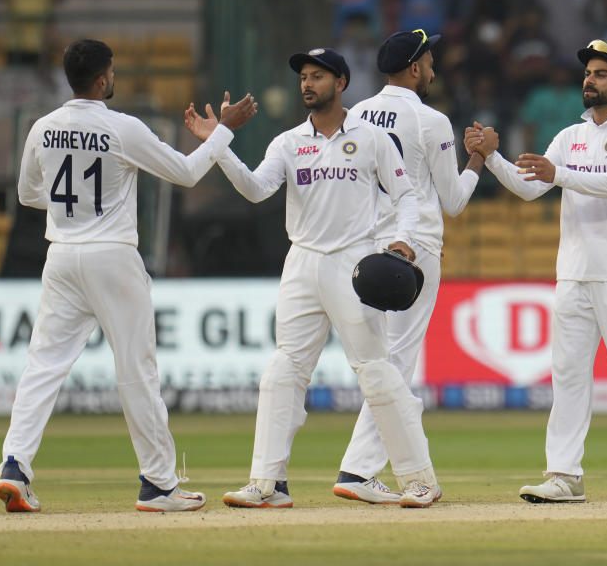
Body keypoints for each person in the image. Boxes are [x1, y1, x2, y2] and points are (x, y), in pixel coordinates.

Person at [0, 39, 258, 513]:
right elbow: (185, 173)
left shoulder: (43, 126)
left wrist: (68, 201)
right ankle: (158, 485)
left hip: (61, 255)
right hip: (112, 255)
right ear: (101, 80)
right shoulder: (122, 128)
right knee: (136, 370)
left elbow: (28, 193)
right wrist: (223, 133)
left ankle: (15, 465)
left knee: (43, 366)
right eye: (111, 72)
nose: (113, 78)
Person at [184, 47, 442, 508]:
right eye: (303, 76)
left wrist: (403, 239)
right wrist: (219, 141)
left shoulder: (371, 138)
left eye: (317, 76)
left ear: (341, 83)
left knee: (376, 373)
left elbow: (407, 196)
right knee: (284, 371)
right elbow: (257, 189)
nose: (307, 83)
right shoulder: (287, 142)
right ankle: (267, 483)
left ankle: (419, 479)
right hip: (301, 262)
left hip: (353, 262)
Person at [464, 39, 607, 503]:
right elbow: (529, 190)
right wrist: (492, 157)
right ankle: (564, 475)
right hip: (573, 274)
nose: (590, 79)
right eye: (588, 73)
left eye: (602, 74)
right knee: (567, 374)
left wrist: (558, 175)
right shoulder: (569, 137)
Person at [333, 29, 484, 504]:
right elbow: (454, 201)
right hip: (413, 247)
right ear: (415, 68)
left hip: (364, 246)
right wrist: (480, 156)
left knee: (382, 361)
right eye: (431, 61)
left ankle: (358, 469)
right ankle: (361, 471)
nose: (435, 69)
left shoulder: (354, 114)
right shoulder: (430, 119)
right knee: (397, 362)